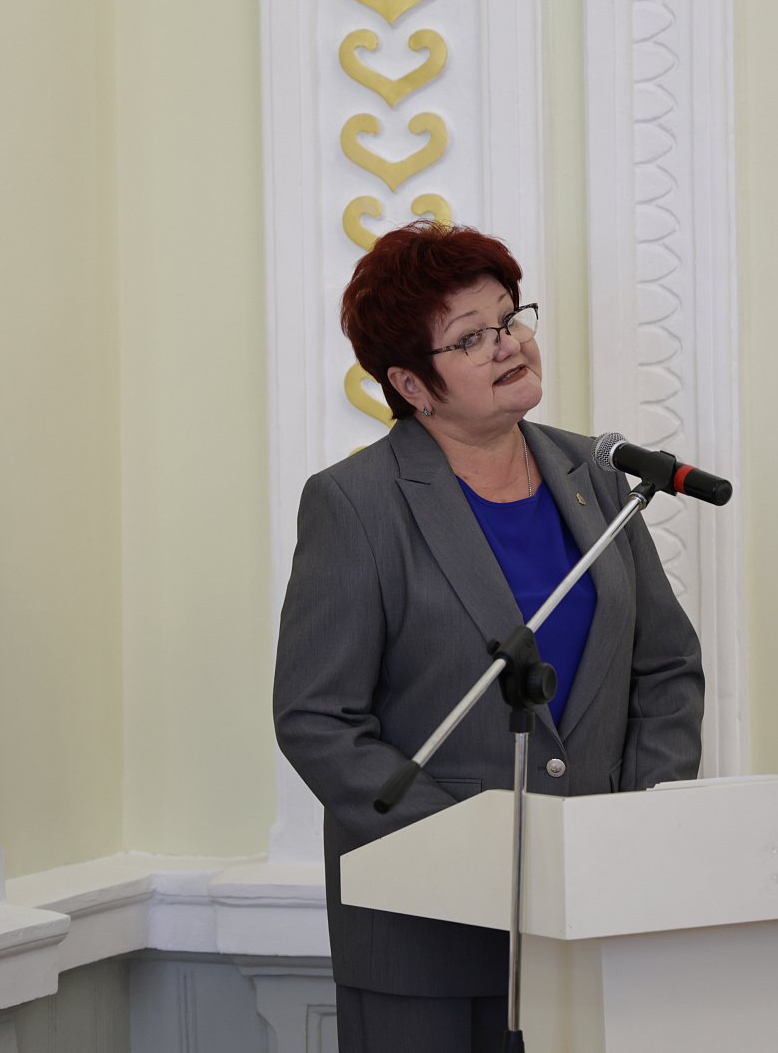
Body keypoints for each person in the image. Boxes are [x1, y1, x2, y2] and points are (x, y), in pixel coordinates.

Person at [273, 221, 705, 1053]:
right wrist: (470, 851)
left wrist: (639, 821)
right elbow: (317, 719)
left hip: (594, 915)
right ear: (411, 383)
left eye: (509, 318)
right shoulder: (356, 503)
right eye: (470, 337)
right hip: (426, 933)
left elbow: (666, 668)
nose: (508, 344)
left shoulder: (597, 476)